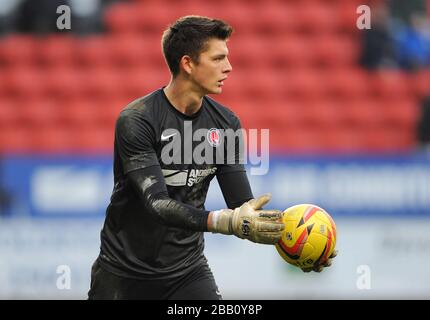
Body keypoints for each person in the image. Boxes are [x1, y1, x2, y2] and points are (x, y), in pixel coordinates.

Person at [88, 15, 336, 300]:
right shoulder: (137, 120)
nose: (228, 67)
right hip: (122, 275)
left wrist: (298, 241)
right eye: (218, 59)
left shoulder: (225, 123)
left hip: (187, 273)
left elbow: (242, 208)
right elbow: (157, 204)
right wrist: (225, 222)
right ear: (188, 64)